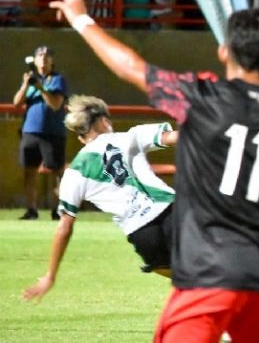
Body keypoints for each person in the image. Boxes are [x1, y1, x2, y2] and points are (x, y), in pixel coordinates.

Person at [49, 0, 259, 343]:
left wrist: (81, 19)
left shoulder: (200, 98)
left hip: (203, 275)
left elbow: (131, 67)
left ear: (224, 52)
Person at [22, 95, 178, 302]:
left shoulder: (74, 173)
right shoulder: (131, 136)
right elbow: (177, 137)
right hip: (175, 212)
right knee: (217, 270)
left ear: (80, 137)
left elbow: (64, 228)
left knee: (187, 280)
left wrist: (50, 276)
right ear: (105, 121)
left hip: (143, 233)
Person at [13, 45, 68, 221]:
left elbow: (56, 104)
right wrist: (25, 85)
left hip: (53, 133)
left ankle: (57, 210)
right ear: (35, 60)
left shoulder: (57, 80)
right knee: (29, 172)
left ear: (52, 61)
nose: (43, 59)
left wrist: (41, 87)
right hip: (30, 131)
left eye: (47, 56)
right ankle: (31, 210)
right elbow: (16, 104)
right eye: (40, 56)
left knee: (55, 172)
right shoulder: (30, 81)